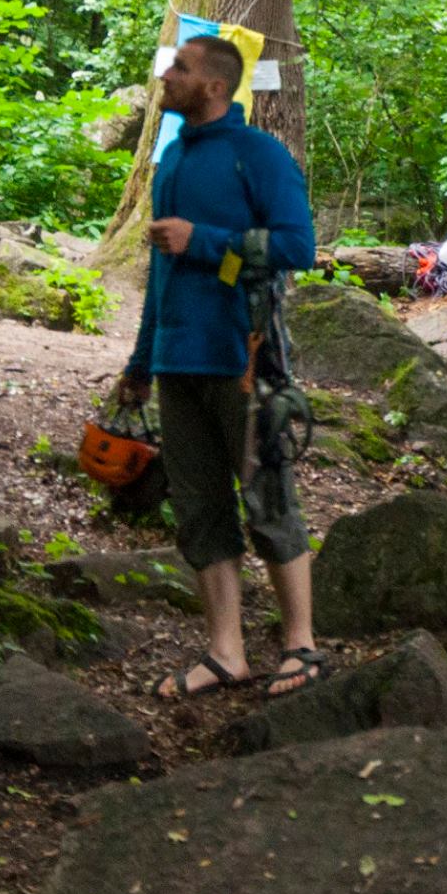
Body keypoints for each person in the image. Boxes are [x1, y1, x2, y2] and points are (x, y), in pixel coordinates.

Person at [115, 35, 323, 700]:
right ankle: (226, 653)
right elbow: (160, 269)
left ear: (212, 87)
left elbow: (298, 247)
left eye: (179, 68)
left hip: (245, 359)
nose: (166, 76)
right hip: (178, 362)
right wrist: (141, 362)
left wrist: (204, 242)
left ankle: (302, 647)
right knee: (200, 511)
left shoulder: (257, 156)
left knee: (267, 501)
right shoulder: (171, 158)